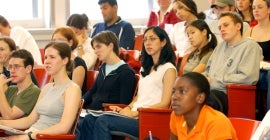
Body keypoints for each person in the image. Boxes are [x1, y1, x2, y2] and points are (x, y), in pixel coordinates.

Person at [76, 26, 177, 140]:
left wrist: (136, 113)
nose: (147, 43)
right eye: (145, 40)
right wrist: (127, 109)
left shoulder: (169, 69)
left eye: (152, 39)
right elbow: (138, 98)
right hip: (136, 115)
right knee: (89, 119)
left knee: (103, 121)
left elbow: (165, 103)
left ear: (163, 42)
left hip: (148, 119)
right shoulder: (145, 68)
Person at [0, 41, 82, 139]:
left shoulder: (72, 89)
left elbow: (64, 127)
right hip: (33, 133)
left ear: (65, 60)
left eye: (52, 57)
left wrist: (30, 136)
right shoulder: (47, 87)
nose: (46, 61)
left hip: (43, 136)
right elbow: (30, 120)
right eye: (46, 57)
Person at [203, 11, 261, 115]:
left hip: (229, 94)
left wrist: (216, 80)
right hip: (211, 90)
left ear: (238, 26)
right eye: (220, 27)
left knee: (203, 100)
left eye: (226, 25)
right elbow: (207, 71)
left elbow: (248, 77)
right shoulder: (219, 47)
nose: (222, 29)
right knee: (187, 97)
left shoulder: (250, 46)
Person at [170, 72, 237, 139]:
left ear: (200, 98)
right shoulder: (176, 116)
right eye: (173, 92)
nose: (174, 97)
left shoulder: (217, 122)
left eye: (182, 91)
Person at [82, 30, 136, 110]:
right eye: (94, 48)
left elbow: (123, 104)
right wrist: (79, 102)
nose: (95, 51)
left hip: (107, 116)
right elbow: (92, 91)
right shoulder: (103, 67)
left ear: (110, 46)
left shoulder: (126, 72)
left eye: (98, 47)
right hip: (93, 112)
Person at [244, 0, 270, 111]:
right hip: (251, 69)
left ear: (269, 9)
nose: (256, 10)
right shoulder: (248, 31)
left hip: (267, 71)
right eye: (254, 8)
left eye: (260, 7)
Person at [0, 49, 40, 120]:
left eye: (16, 66)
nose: (12, 71)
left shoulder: (33, 91)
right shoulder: (11, 89)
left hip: (18, 130)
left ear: (28, 69)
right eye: (10, 67)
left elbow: (9, 116)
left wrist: (0, 87)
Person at [51, 27, 88, 94]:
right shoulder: (56, 62)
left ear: (70, 42)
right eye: (54, 41)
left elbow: (74, 93)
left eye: (60, 40)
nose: (55, 44)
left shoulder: (78, 63)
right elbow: (50, 87)